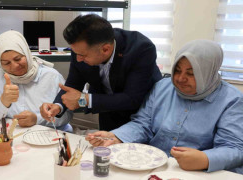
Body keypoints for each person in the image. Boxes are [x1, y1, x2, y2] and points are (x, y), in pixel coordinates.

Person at [86, 40, 243, 174]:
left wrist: (205, 159)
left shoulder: (232, 100)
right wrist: (118, 137)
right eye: (177, 70)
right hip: (156, 167)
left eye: (191, 73)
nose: (180, 78)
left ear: (208, 72)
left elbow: (234, 148)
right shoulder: (163, 87)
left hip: (200, 173)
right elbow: (143, 124)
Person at [40, 14, 162, 131]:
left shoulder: (141, 49)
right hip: (108, 113)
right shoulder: (80, 48)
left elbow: (132, 98)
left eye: (82, 55)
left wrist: (84, 100)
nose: (78, 59)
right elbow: (73, 83)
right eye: (76, 53)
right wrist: (58, 106)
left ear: (105, 49)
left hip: (141, 116)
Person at [0, 30, 73, 131]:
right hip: (15, 136)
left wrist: (37, 119)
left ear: (26, 53)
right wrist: (3, 101)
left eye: (18, 59)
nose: (14, 66)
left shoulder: (51, 76)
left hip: (48, 136)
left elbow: (67, 116)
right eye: (6, 63)